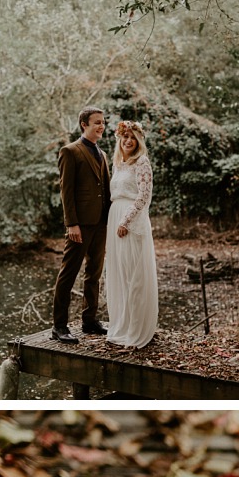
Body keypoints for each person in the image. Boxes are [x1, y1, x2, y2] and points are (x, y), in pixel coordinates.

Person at [53, 107, 111, 344]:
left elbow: (105, 190)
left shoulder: (103, 154)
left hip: (100, 223)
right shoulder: (70, 151)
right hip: (80, 225)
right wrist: (72, 224)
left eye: (103, 122)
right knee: (68, 274)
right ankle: (58, 327)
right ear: (83, 125)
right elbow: (66, 192)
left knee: (94, 274)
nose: (101, 126)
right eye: (97, 122)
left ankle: (89, 320)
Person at [105, 120, 158, 349]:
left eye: (133, 138)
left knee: (133, 275)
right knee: (118, 273)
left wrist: (126, 221)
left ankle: (136, 330)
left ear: (139, 141)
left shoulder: (142, 163)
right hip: (114, 216)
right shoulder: (118, 163)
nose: (128, 141)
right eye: (125, 137)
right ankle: (121, 325)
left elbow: (144, 196)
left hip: (131, 221)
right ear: (119, 138)